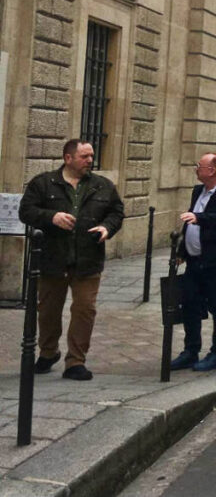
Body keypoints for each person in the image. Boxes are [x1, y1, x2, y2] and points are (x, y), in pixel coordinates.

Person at [18, 139, 124, 381]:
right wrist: (51, 216)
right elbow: (26, 211)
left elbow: (117, 211)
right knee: (48, 311)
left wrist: (108, 228)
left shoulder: (102, 186)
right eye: (85, 156)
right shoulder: (44, 184)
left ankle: (76, 361)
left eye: (92, 156)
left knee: (84, 310)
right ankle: (48, 352)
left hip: (87, 260)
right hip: (52, 259)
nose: (90, 161)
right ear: (68, 158)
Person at [170, 154, 216, 371]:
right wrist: (182, 250)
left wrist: (200, 218)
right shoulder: (197, 191)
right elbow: (188, 223)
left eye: (199, 166)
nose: (196, 168)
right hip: (194, 261)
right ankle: (191, 351)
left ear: (212, 171)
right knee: (190, 304)